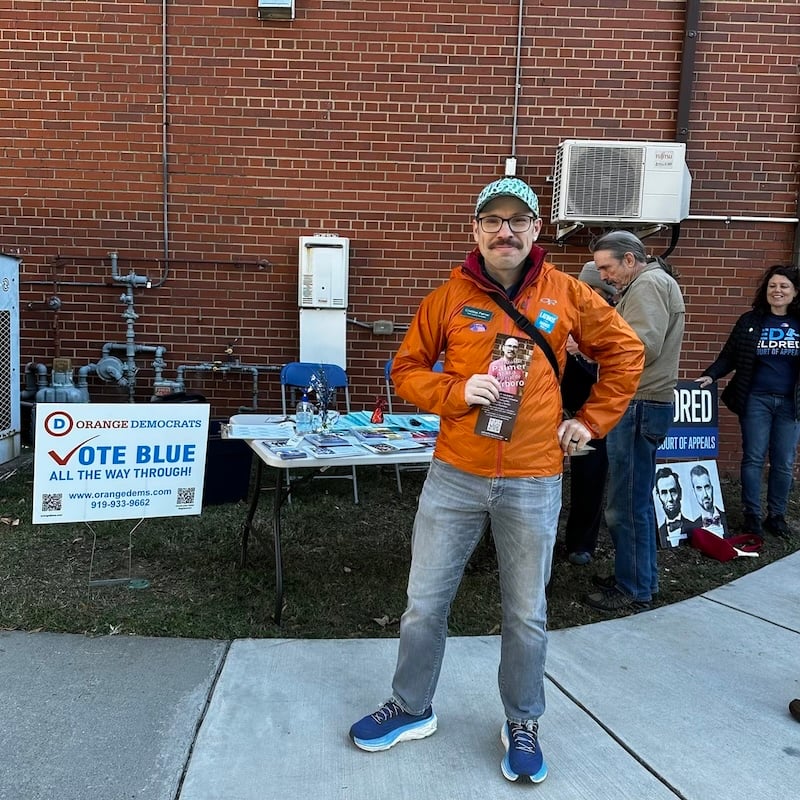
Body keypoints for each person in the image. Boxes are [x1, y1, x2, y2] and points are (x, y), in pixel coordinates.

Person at [348, 177, 644, 783]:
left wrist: (591, 421)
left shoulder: (567, 294)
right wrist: (455, 392)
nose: (504, 231)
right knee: (424, 605)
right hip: (455, 474)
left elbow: (626, 351)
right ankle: (410, 706)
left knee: (526, 613)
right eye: (492, 220)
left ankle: (523, 721)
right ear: (476, 231)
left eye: (518, 220)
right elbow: (404, 371)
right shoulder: (447, 298)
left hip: (534, 479)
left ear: (537, 230)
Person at [584, 230, 685, 614]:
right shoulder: (649, 283)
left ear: (630, 260)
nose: (604, 276)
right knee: (633, 500)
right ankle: (641, 578)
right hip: (643, 404)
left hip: (639, 404)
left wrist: (590, 346)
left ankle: (633, 589)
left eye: (607, 267)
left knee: (626, 505)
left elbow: (641, 346)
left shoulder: (648, 285)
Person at [696, 264, 800, 538]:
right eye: (773, 286)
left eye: (784, 286)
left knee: (784, 461)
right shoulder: (751, 321)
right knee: (753, 458)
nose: (777, 291)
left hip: (791, 403)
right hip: (756, 400)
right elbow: (729, 356)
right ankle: (752, 515)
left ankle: (776, 516)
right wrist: (710, 376)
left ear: (795, 292)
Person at [560, 261, 618, 566]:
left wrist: (583, 351)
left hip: (591, 415)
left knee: (590, 476)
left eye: (599, 291)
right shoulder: (561, 313)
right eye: (587, 289)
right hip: (552, 408)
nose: (592, 296)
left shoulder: (614, 320)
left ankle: (581, 543)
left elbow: (620, 365)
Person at [654, 466, 692, 548]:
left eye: (673, 491)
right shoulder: (658, 532)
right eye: (664, 493)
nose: (670, 498)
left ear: (680, 493)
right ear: (658, 496)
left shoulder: (693, 526)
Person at [688, 463, 728, 537]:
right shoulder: (692, 526)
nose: (705, 494)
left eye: (707, 487)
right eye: (699, 488)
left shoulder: (726, 518)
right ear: (694, 492)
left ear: (712, 488)